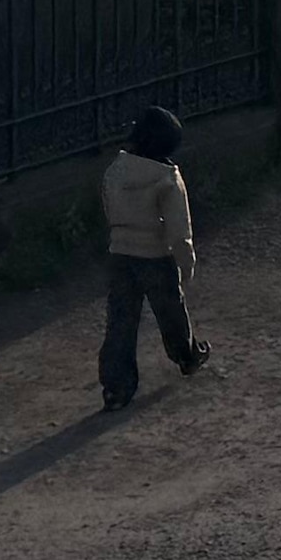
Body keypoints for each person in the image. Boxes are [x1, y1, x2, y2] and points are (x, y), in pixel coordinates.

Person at [97, 106, 206, 407]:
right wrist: (186, 265)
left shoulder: (115, 170)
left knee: (120, 322)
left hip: (120, 253)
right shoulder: (168, 179)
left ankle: (116, 388)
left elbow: (109, 209)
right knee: (171, 313)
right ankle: (187, 357)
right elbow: (179, 231)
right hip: (156, 255)